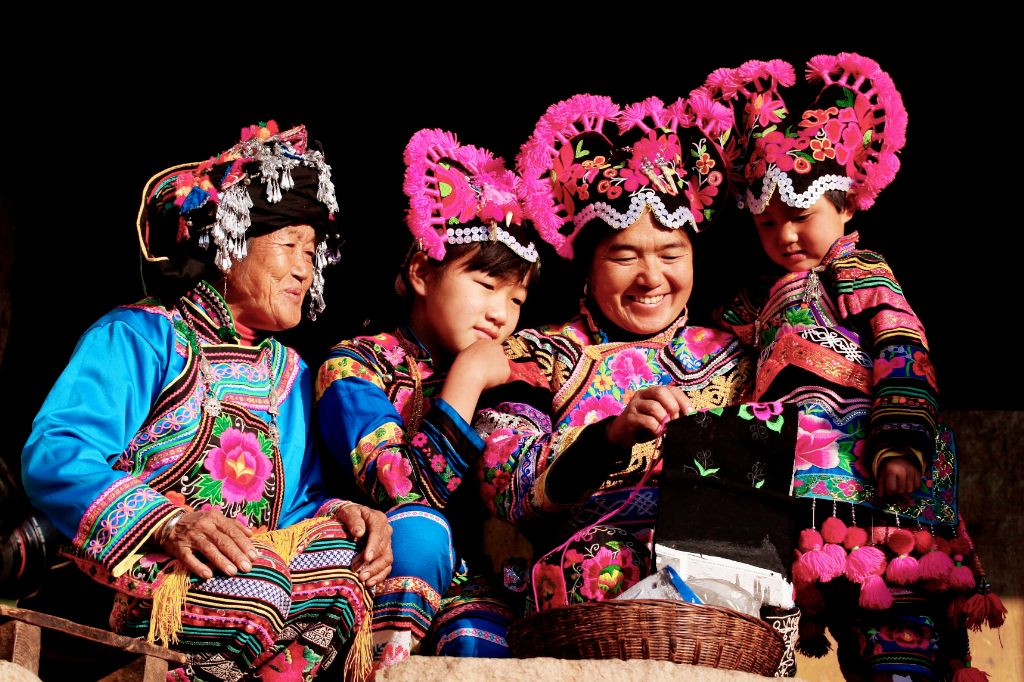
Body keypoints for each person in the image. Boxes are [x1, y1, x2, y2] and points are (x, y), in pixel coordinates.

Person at [20, 121, 392, 682]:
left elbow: (293, 508)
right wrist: (169, 523)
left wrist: (342, 515)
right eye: (289, 245)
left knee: (346, 572)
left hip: (250, 575)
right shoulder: (143, 336)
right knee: (258, 587)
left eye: (312, 252)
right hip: (128, 573)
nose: (304, 269)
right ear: (229, 244)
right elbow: (58, 454)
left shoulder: (288, 372)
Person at [709, 55, 1002, 681]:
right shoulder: (757, 301)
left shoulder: (860, 270)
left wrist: (900, 442)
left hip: (874, 488)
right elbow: (710, 353)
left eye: (801, 216)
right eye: (767, 222)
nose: (785, 235)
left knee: (896, 635)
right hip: (799, 500)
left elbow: (903, 348)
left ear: (844, 209)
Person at [473, 93, 754, 609]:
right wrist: (609, 438)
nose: (651, 277)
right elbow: (504, 485)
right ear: (587, 267)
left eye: (671, 254)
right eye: (625, 257)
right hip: (590, 597)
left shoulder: (737, 358)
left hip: (717, 602)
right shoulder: (538, 356)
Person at [315, 129, 541, 670]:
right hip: (370, 564)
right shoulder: (353, 367)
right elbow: (404, 491)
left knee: (483, 642)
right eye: (486, 285)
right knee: (420, 533)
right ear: (420, 272)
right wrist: (467, 379)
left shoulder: (509, 374)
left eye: (516, 299)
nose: (501, 314)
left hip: (471, 581)